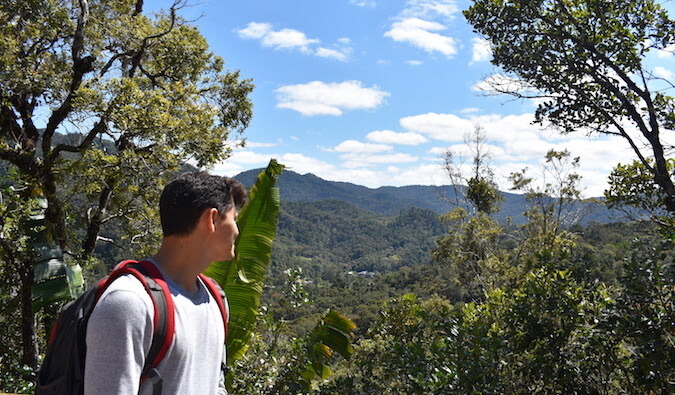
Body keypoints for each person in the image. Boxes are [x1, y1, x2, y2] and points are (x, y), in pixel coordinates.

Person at [84, 172, 247, 394]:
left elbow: (215, 386)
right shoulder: (129, 303)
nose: (237, 230)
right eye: (234, 219)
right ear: (212, 219)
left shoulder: (216, 299)